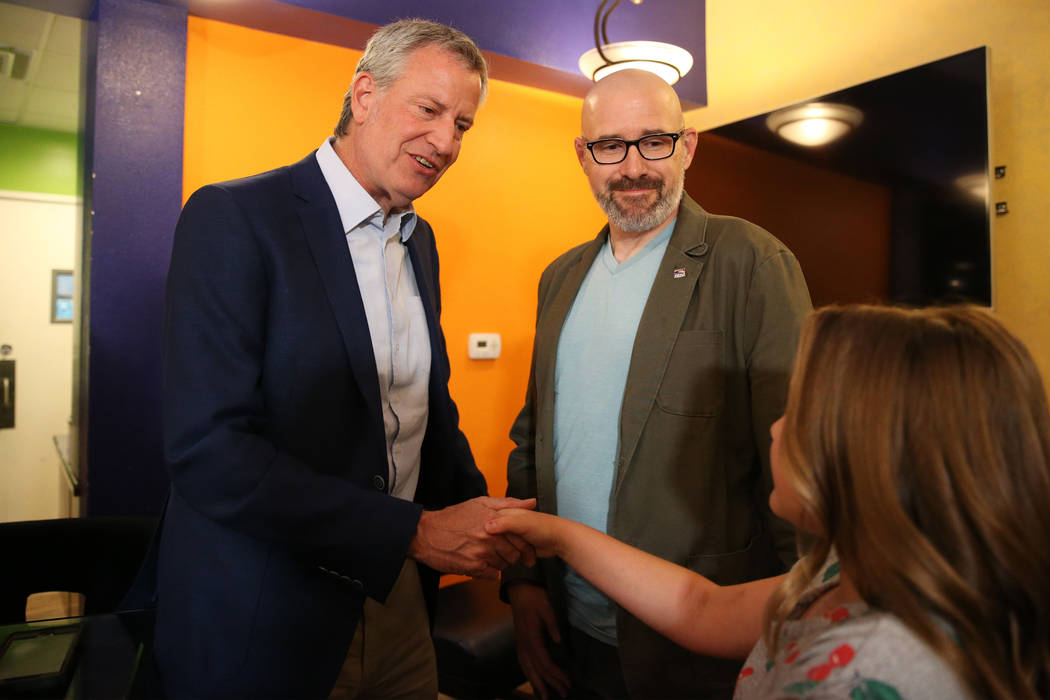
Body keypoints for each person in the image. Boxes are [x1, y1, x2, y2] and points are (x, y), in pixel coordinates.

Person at [138, 19, 535, 699]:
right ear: (364, 95)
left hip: (398, 606)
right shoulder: (234, 218)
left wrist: (500, 535)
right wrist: (413, 532)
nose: (446, 142)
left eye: (463, 125)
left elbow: (426, 417)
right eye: (430, 109)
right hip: (268, 617)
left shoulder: (420, 241)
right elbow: (210, 450)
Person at [491, 304, 1050, 699]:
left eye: (800, 413)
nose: (777, 429)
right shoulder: (857, 569)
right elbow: (699, 607)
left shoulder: (866, 676)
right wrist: (557, 535)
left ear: (865, 455)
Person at [503, 69, 812, 699]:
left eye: (655, 142)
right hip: (575, 626)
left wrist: (809, 619)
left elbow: (805, 462)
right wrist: (525, 583)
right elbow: (533, 440)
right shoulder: (560, 278)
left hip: (701, 640)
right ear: (584, 156)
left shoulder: (752, 263)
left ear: (689, 146)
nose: (634, 167)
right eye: (611, 146)